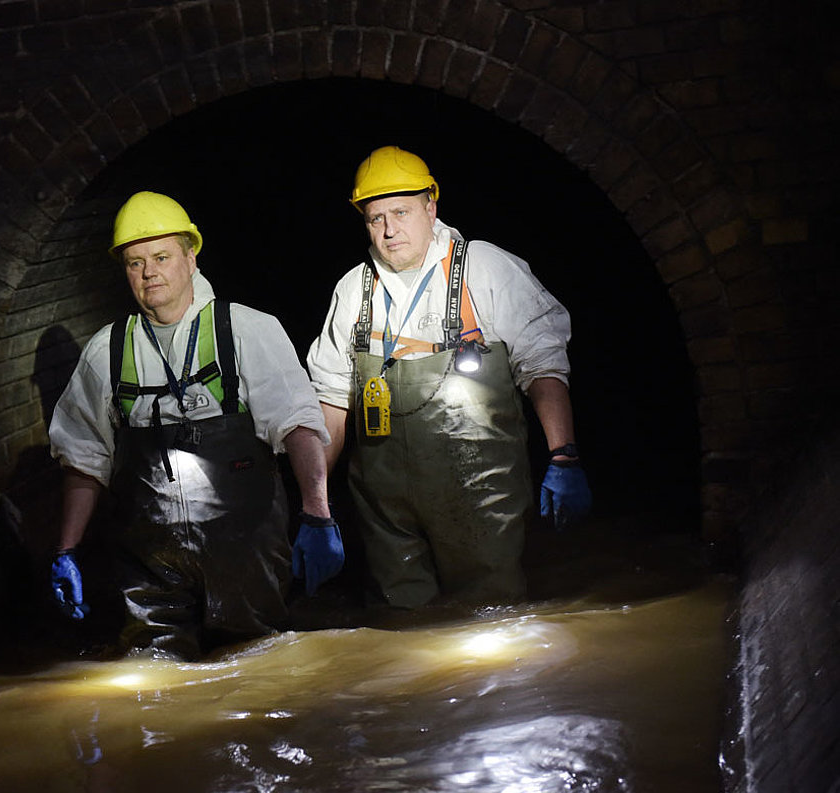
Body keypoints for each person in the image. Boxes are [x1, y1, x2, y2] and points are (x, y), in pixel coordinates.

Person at [47, 191, 344, 660]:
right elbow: (84, 456)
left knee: (263, 672)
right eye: (135, 262)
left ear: (191, 256)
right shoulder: (108, 350)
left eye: (161, 257)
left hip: (245, 552)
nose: (149, 273)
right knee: (154, 680)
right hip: (149, 563)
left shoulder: (246, 329)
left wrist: (317, 514)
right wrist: (66, 549)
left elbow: (299, 427)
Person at [306, 145, 592, 609]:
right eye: (375, 217)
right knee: (402, 634)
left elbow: (543, 366)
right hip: (386, 510)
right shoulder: (353, 288)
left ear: (430, 208)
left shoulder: (482, 266)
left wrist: (563, 457)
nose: (388, 229)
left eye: (400, 212)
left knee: (491, 622)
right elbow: (332, 401)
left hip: (481, 497)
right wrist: (315, 509)